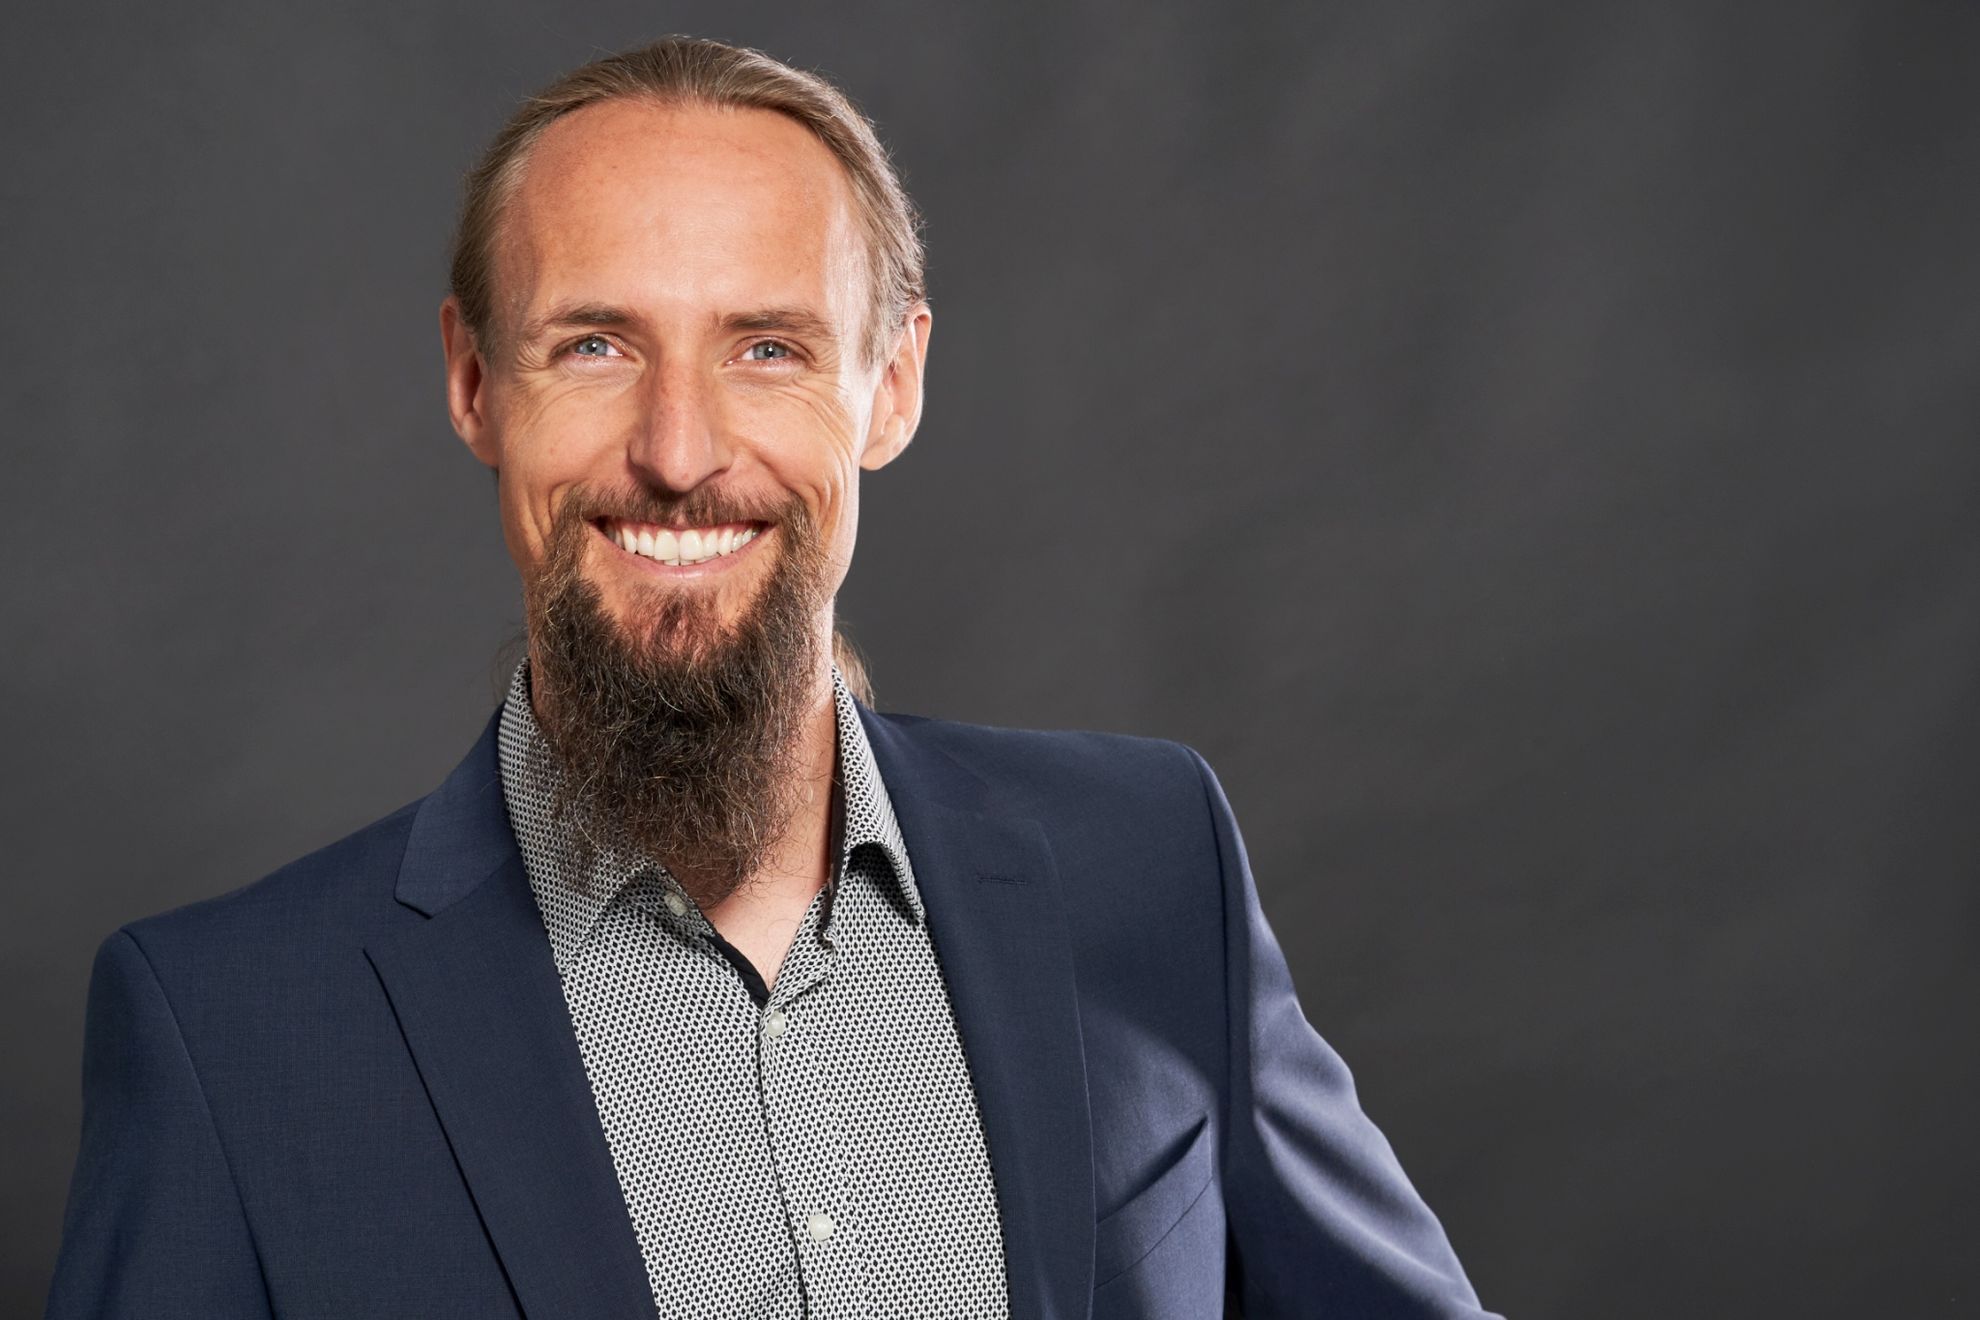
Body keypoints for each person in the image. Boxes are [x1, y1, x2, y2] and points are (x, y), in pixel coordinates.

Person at [47, 37, 1495, 1320]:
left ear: (893, 384)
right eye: (595, 345)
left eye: (767, 346)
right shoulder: (230, 1034)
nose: (679, 450)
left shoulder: (1150, 864)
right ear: (475, 383)